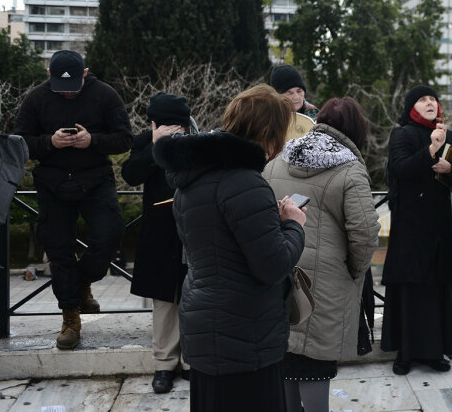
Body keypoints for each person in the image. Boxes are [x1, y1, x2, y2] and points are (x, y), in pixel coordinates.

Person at [153, 85, 306, 411]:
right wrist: (293, 224)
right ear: (267, 131)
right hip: (245, 335)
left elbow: (218, 245)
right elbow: (273, 265)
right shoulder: (246, 182)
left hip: (206, 326)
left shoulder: (190, 179)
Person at [263, 96, 380, 412]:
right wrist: (353, 271)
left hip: (281, 274)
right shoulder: (349, 170)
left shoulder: (276, 162)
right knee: (316, 369)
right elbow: (366, 233)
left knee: (287, 360)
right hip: (325, 286)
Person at [13, 50, 132, 350]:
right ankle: (70, 315)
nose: (66, 93)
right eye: (59, 87)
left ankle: (83, 281)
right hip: (53, 182)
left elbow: (125, 138)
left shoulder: (105, 95)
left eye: (72, 87)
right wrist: (48, 143)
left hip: (95, 178)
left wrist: (93, 141)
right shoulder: (36, 98)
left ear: (86, 73)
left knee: (110, 233)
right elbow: (19, 143)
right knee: (57, 246)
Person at [381, 85, 452, 375]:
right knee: (411, 289)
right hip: (410, 227)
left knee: (436, 288)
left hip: (438, 225)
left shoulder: (449, 136)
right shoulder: (402, 134)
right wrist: (430, 150)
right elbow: (400, 169)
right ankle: (405, 353)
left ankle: (435, 351)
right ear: (412, 108)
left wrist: (449, 170)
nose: (430, 103)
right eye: (422, 100)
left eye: (433, 99)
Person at [120, 92, 192, 393]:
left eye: (179, 127)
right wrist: (154, 144)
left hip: (192, 228)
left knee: (194, 295)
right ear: (153, 124)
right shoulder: (142, 143)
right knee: (164, 301)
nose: (174, 132)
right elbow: (131, 174)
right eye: (166, 126)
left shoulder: (198, 140)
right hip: (159, 232)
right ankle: (164, 364)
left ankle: (192, 361)